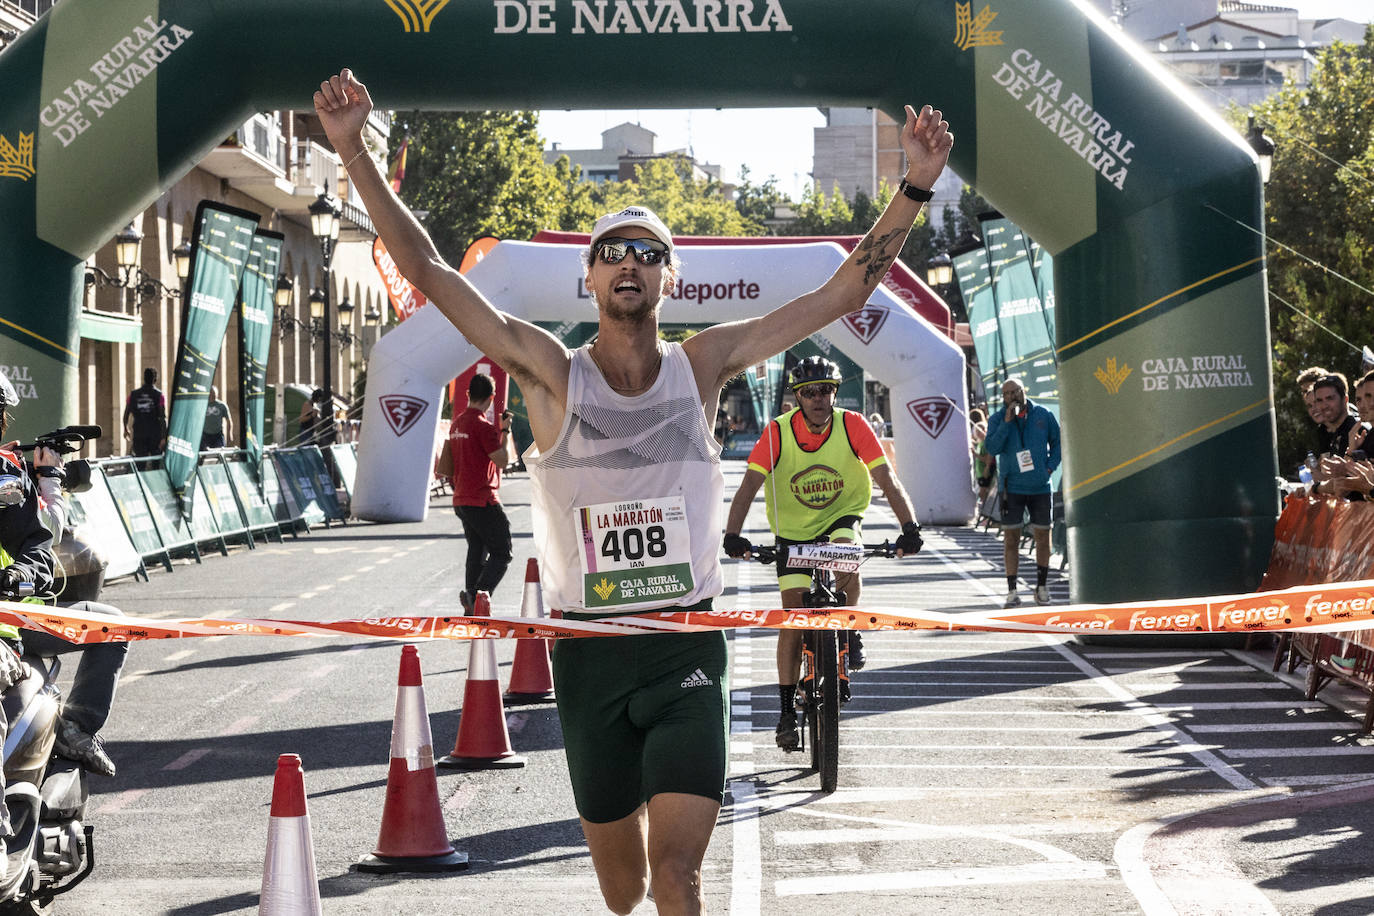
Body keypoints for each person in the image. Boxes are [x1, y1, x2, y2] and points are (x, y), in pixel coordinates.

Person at [315, 66, 951, 914]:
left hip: (687, 645)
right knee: (622, 893)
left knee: (679, 880)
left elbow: (840, 291)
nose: (629, 264)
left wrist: (912, 186)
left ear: (668, 280)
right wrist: (354, 151)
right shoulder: (548, 375)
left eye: (648, 253)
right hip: (590, 656)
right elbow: (430, 271)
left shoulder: (704, 364)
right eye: (613, 251)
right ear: (590, 278)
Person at [722, 356, 923, 752]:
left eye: (825, 390)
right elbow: (747, 487)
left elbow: (887, 479)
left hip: (840, 516)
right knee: (794, 615)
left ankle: (848, 626)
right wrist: (733, 535)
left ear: (834, 393)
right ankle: (784, 712)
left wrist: (910, 527)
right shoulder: (777, 433)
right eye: (809, 392)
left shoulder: (852, 425)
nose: (818, 399)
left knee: (848, 549)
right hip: (793, 531)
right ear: (797, 397)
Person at [1, 370, 126, 778]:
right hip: (15, 618)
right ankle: (77, 728)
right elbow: (49, 532)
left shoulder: (7, 473)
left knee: (113, 625)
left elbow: (36, 540)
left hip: (16, 612)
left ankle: (73, 729)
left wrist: (36, 477)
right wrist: (50, 479)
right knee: (113, 626)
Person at [435, 373, 514, 611]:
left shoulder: (457, 423)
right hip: (482, 498)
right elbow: (502, 461)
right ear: (491, 398)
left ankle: (471, 598)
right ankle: (480, 597)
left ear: (468, 395)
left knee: (477, 549)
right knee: (502, 552)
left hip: (461, 499)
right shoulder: (483, 426)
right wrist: (505, 431)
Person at [984, 376, 1061, 607]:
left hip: (1039, 487)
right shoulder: (997, 419)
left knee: (1042, 537)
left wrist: (1048, 468)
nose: (1011, 397)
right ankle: (1012, 590)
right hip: (1012, 488)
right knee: (1011, 539)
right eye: (1006, 394)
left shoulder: (1043, 414)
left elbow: (1057, 443)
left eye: (1014, 392)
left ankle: (1042, 587)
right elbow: (992, 447)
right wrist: (1007, 423)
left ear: (1023, 390)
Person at [122, 367, 166, 457]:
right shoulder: (159, 395)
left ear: (144, 378)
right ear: (155, 379)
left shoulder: (133, 394)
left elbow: (126, 414)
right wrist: (164, 437)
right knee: (155, 463)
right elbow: (162, 417)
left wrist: (126, 428)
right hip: (155, 435)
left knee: (140, 462)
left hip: (139, 434)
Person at [202, 385, 232, 450]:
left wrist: (230, 434)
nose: (213, 396)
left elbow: (229, 420)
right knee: (205, 453)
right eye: (211, 394)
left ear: (217, 394)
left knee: (220, 451)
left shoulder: (222, 406)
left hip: (218, 434)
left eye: (214, 394)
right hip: (205, 434)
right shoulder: (203, 405)